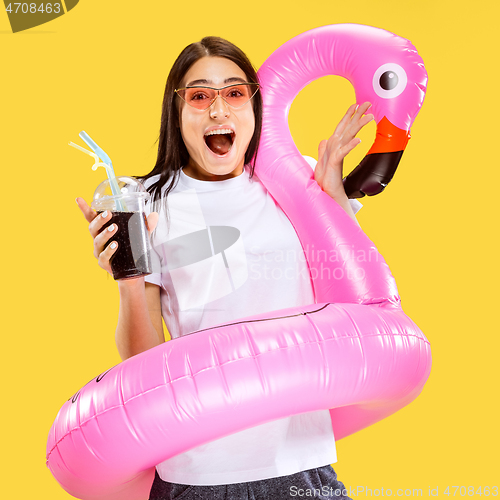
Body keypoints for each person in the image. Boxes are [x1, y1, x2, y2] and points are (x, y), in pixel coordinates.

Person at [76, 36, 373, 500]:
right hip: (197, 474)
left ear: (256, 106)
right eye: (199, 96)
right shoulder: (147, 201)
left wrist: (330, 198)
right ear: (176, 113)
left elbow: (354, 300)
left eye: (234, 93)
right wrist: (130, 276)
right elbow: (141, 365)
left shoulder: (294, 180)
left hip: (301, 465)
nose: (218, 111)